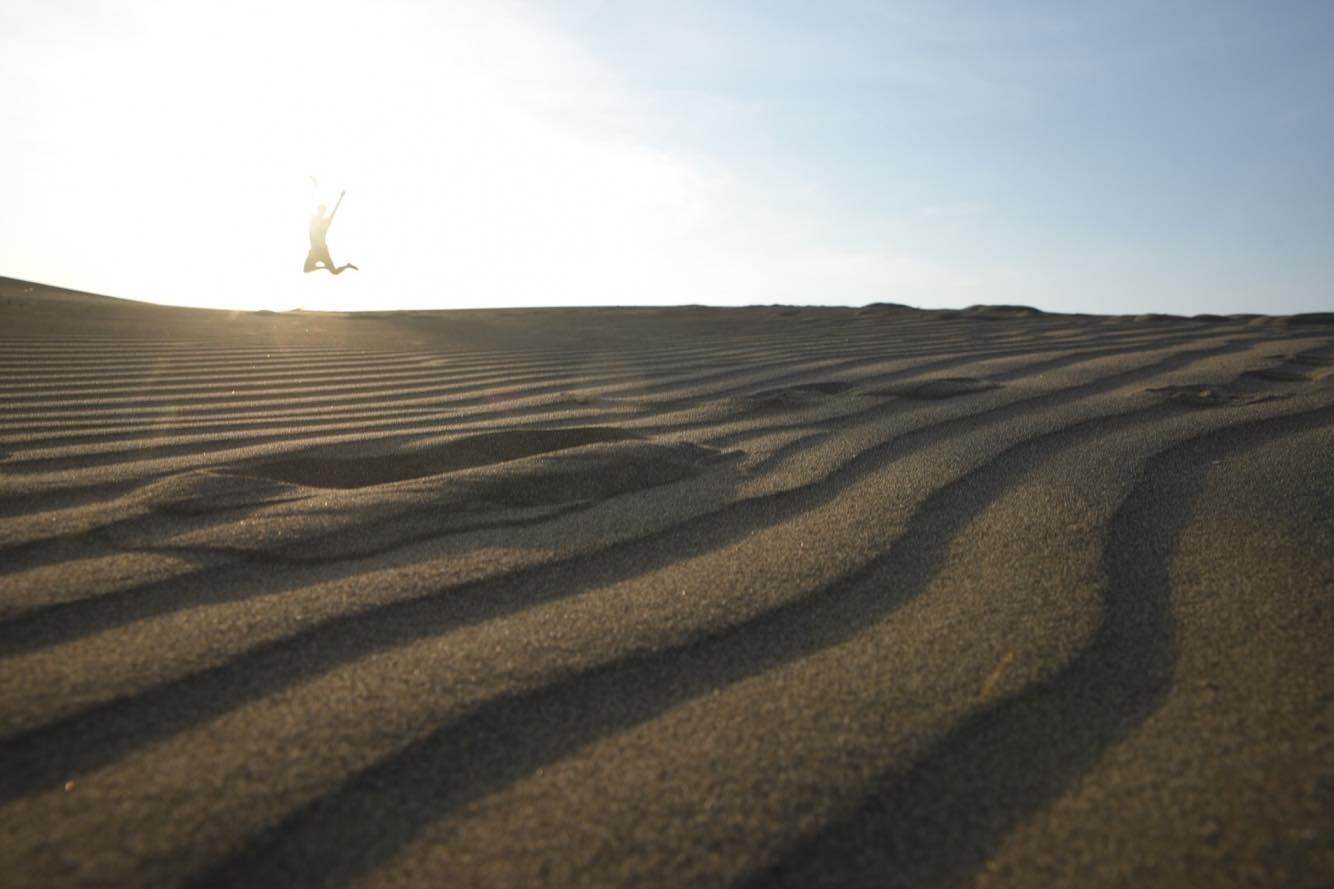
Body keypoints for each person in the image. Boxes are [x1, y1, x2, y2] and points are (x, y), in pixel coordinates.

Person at [304, 191, 359, 274]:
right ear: (318, 211)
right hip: (314, 251)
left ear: (323, 212)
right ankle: (325, 267)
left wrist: (340, 198)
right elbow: (310, 203)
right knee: (306, 269)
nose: (320, 213)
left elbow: (334, 211)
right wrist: (313, 187)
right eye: (320, 211)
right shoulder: (313, 220)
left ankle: (347, 266)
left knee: (335, 272)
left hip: (323, 251)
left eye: (322, 212)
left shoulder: (324, 222)